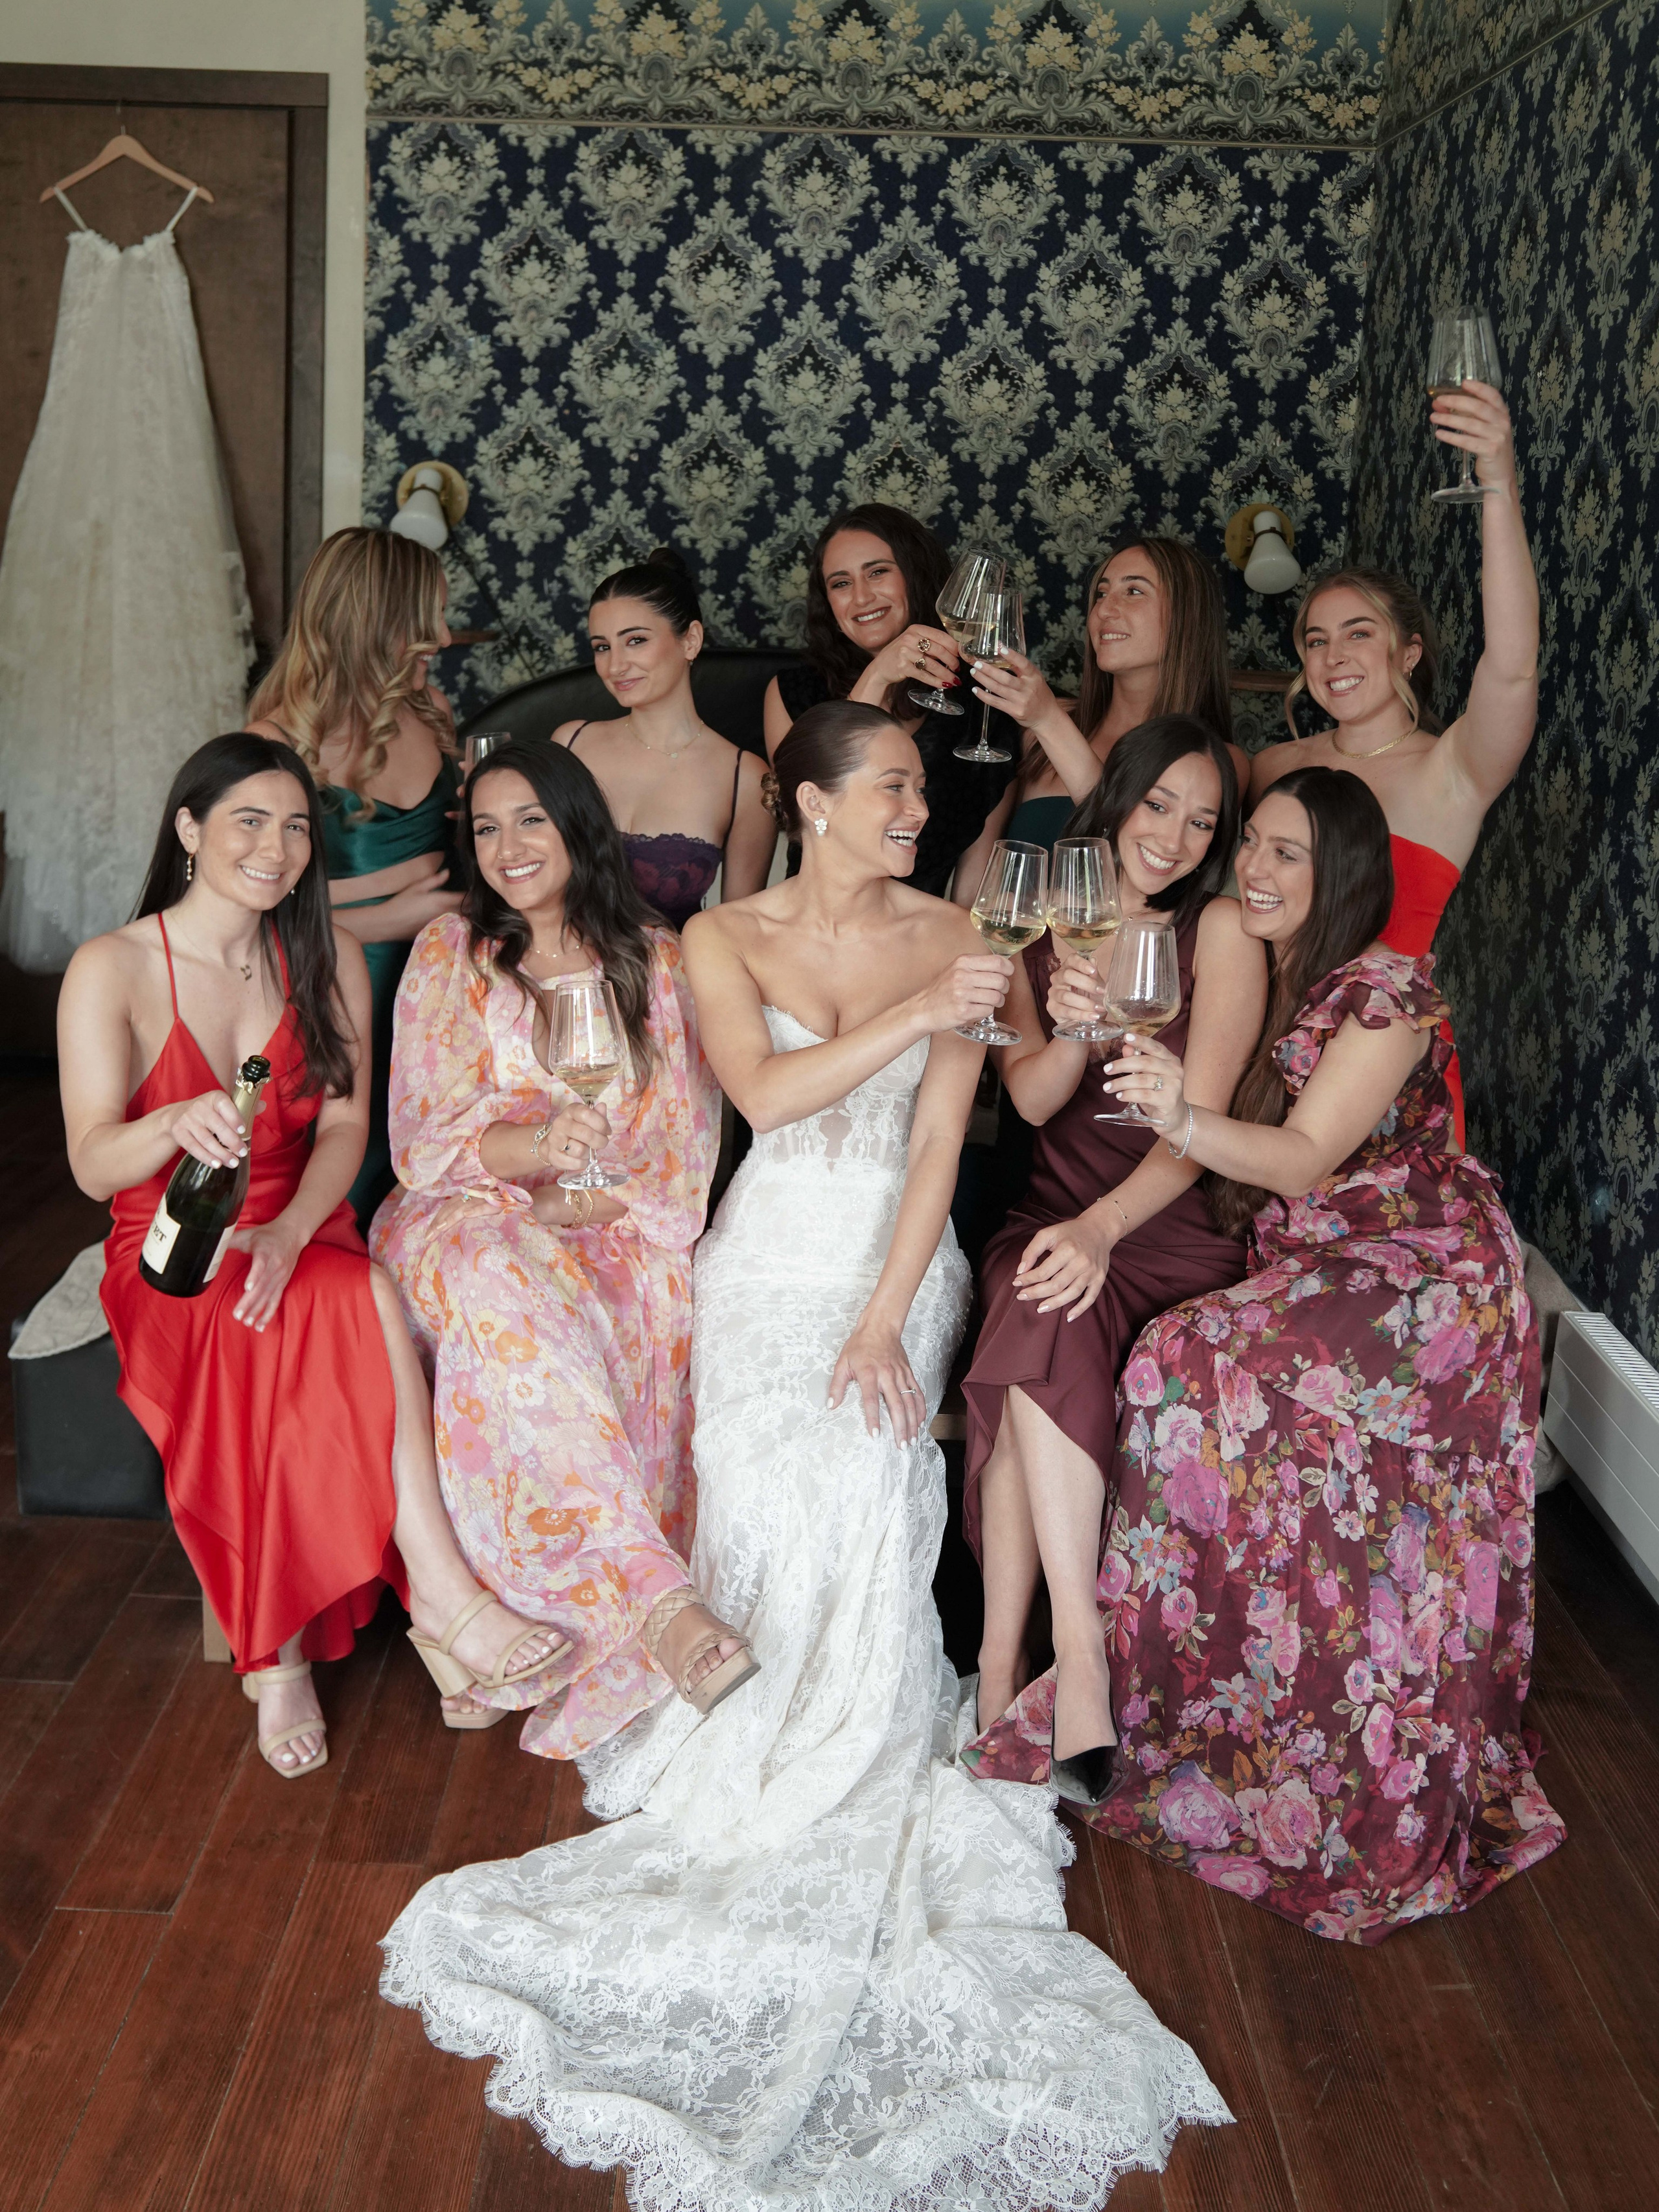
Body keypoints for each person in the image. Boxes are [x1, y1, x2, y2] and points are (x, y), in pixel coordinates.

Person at [378, 703, 1231, 2203]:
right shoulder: (720, 936)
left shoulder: (959, 926)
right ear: (815, 801)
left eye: (915, 785)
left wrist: (887, 1319)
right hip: (765, 1255)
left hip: (888, 1257)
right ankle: (707, 1668)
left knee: (860, 1448)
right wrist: (914, 1015)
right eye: (892, 785)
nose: (917, 805)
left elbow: (935, 1148)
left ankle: (852, 1723)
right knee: (763, 1461)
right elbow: (766, 1099)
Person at [1093, 765, 1564, 1941]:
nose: (1254, 867)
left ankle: (1332, 1728)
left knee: (1189, 1356)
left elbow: (1305, 1157)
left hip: (1428, 1279)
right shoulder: (1280, 975)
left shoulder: (1386, 992)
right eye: (1251, 842)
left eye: (1287, 852)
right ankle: (1224, 1708)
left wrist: (1180, 1115)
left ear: (1343, 870)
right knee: (1179, 1364)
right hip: (1332, 1263)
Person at [60, 734, 563, 1778]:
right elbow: (93, 1164)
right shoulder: (113, 967)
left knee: (350, 1287)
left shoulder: (321, 950)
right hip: (171, 1243)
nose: (277, 847)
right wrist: (172, 1123)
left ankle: (346, 1624)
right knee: (305, 1311)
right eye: (249, 821)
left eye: (296, 826)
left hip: (301, 1215)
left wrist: (291, 1230)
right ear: (189, 828)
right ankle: (362, 1622)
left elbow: (343, 1126)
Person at [370, 738, 738, 1757]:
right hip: (462, 1213)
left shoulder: (657, 960)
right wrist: (537, 1154)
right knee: (500, 1279)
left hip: (616, 1215)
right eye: (487, 828)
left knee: (610, 1307)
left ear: (578, 824)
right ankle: (655, 1602)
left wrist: (585, 1197)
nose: (508, 847)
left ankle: (533, 1635)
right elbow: (424, 1139)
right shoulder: (453, 951)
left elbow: (682, 1141)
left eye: (530, 819)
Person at [962, 718, 1266, 1799]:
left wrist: (1104, 1229)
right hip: (1053, 1202)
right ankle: (1033, 1664)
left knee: (1041, 1302)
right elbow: (1035, 1101)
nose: (1175, 838)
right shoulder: (1039, 918)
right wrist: (1075, 1028)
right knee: (1037, 1285)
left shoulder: (1218, 931)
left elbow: (1200, 1129)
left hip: (1168, 1221)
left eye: (1203, 822)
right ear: (1117, 800)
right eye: (1159, 806)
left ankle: (1041, 1660)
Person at [1249, 382, 1539, 1146]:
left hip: (1383, 1081)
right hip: (1261, 1057)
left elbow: (1512, 667)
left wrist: (1497, 482)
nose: (1333, 656)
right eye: (1315, 640)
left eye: (1358, 633)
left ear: (1408, 652)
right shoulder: (1274, 765)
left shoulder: (1452, 770)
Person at [247, 526, 464, 1229]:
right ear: (373, 621)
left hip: (439, 986)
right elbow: (247, 907)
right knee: (350, 1166)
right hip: (335, 987)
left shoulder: (433, 715)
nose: (442, 635)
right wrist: (385, 916)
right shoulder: (276, 742)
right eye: (427, 617)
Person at [761, 502, 1019, 896]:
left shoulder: (983, 704)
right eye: (841, 583)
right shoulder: (792, 692)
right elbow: (801, 822)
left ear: (916, 575)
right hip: (810, 920)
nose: (861, 597)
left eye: (878, 572)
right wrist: (877, 675)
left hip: (923, 928)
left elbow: (974, 883)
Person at [958, 535, 1249, 883]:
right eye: (1101, 593)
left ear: (1189, 617)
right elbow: (974, 881)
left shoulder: (1217, 763)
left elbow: (1130, 866)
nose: (1104, 610)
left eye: (1134, 591)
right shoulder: (1035, 730)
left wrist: (1049, 722)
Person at [551, 550, 775, 929]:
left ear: (691, 641)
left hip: (677, 966)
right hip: (560, 965)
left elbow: (738, 932)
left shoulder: (744, 777)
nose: (615, 666)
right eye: (603, 647)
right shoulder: (571, 744)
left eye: (636, 640)